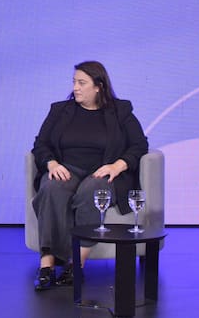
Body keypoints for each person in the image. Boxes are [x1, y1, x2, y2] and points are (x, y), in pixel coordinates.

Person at [31, 61, 148, 291]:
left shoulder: (120, 111)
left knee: (93, 192)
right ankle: (46, 264)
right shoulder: (60, 110)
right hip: (68, 168)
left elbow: (139, 144)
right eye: (74, 82)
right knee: (51, 188)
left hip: (102, 171)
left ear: (99, 87)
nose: (75, 87)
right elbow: (40, 144)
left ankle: (77, 264)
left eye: (82, 83)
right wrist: (51, 162)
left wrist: (117, 166)